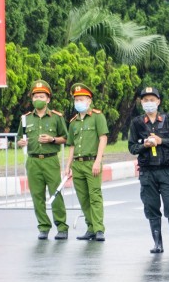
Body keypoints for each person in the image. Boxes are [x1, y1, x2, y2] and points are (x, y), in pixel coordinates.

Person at [128, 86, 169, 254]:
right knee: (151, 207)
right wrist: (144, 145)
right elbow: (132, 147)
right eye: (146, 100)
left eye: (152, 100)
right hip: (147, 172)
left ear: (158, 101)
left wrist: (161, 141)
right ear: (141, 103)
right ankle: (157, 243)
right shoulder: (137, 123)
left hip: (165, 171)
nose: (149, 103)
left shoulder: (168, 120)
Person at [16, 80, 69, 240]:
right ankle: (43, 227)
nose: (38, 98)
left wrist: (52, 139)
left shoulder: (56, 117)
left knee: (56, 194)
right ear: (32, 99)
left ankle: (61, 227)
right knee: (37, 195)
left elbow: (65, 138)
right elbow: (19, 138)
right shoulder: (26, 119)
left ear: (48, 99)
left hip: (50, 160)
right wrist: (20, 142)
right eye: (35, 96)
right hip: (33, 161)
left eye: (42, 96)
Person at [65, 83, 108, 241]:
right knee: (83, 197)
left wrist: (98, 161)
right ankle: (90, 227)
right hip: (77, 164)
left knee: (95, 195)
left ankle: (99, 229)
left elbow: (103, 138)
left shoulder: (97, 117)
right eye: (76, 100)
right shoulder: (73, 122)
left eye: (81, 99)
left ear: (89, 101)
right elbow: (71, 145)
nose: (78, 102)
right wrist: (68, 166)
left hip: (92, 162)